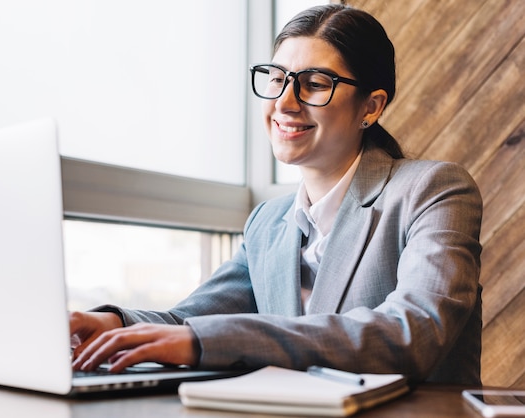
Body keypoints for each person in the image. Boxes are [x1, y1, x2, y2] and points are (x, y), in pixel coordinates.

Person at [70, 4, 483, 385]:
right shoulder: (267, 221)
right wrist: (116, 323)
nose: (285, 103)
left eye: (314, 84)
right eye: (276, 79)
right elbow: (192, 319)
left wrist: (206, 341)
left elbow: (413, 332)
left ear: (371, 107)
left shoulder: (434, 190)